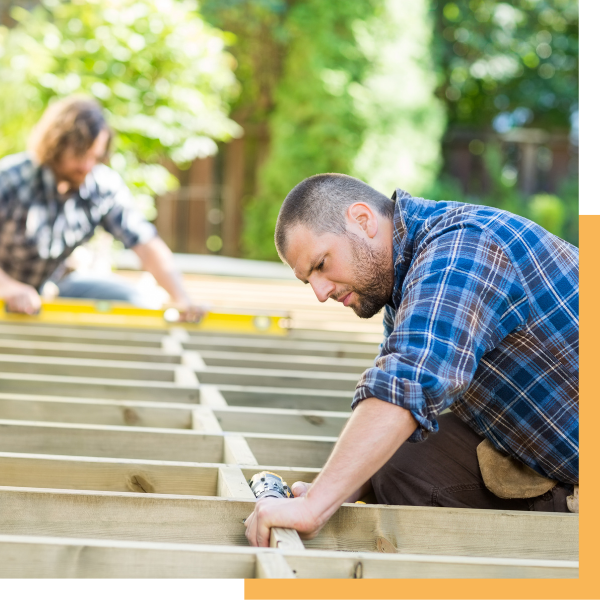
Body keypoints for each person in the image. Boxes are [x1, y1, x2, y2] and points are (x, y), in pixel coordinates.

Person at [244, 173, 579, 547]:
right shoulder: (402, 287)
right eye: (309, 281)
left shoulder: (464, 248)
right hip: (558, 450)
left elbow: (409, 379)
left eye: (321, 264)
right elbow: (399, 407)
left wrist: (316, 508)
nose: (320, 293)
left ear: (363, 220)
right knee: (396, 461)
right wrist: (333, 490)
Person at [0, 95, 202, 320]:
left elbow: (145, 242)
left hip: (50, 288)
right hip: (5, 289)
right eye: (79, 155)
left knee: (136, 301)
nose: (87, 165)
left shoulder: (100, 186)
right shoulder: (10, 179)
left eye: (94, 157)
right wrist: (8, 288)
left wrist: (181, 297)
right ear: (55, 144)